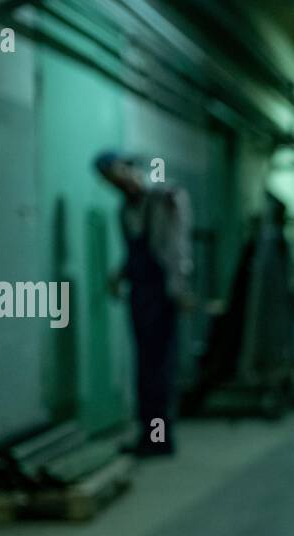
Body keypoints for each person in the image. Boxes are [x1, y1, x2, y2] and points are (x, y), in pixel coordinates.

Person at [95, 151, 194, 457]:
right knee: (144, 368)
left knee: (159, 371)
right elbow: (137, 251)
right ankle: (149, 436)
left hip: (161, 295)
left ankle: (160, 438)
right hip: (140, 296)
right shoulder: (126, 209)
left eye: (116, 174)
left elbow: (175, 248)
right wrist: (120, 274)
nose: (116, 183)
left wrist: (179, 289)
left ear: (127, 169)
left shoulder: (164, 199)